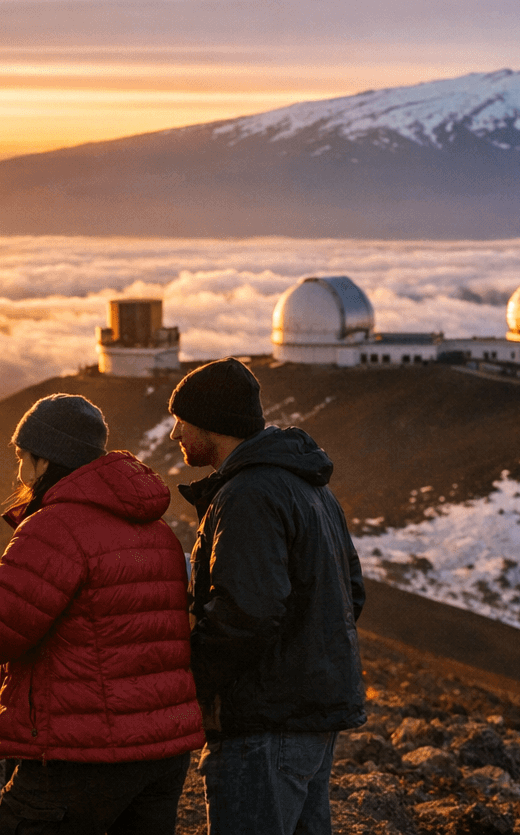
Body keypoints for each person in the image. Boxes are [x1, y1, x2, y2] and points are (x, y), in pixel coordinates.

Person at [0, 393, 204, 835]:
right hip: (162, 754)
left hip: (79, 758)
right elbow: (105, 604)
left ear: (45, 461)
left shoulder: (54, 526)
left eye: (23, 457)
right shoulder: (155, 530)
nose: (20, 470)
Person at [167, 357, 366, 835]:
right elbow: (351, 592)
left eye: (181, 421)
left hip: (264, 722)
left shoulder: (249, 494)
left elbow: (245, 614)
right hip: (309, 715)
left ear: (211, 424)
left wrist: (190, 679)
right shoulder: (308, 485)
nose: (175, 434)